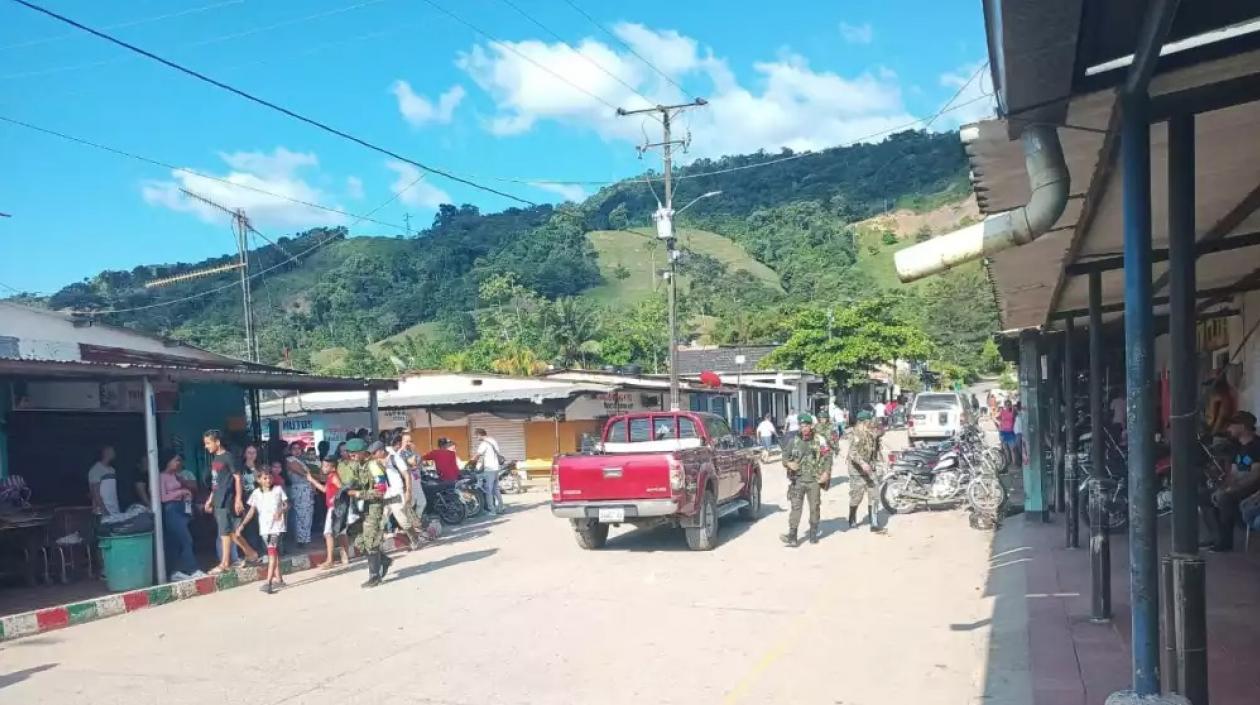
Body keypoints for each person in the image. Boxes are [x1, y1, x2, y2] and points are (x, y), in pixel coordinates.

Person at [202, 430, 259, 574]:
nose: (206, 446)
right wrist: (210, 500)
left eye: (208, 443)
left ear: (217, 442)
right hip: (218, 499)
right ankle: (248, 555)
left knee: (227, 532)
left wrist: (238, 499)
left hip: (228, 500)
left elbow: (238, 478)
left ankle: (227, 562)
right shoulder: (215, 459)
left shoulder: (228, 457)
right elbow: (216, 484)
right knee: (229, 533)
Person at [1202, 411, 1260, 552]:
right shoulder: (1238, 446)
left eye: (1232, 425)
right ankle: (1217, 536)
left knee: (1225, 498)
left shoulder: (1256, 445)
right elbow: (1233, 472)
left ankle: (1226, 542)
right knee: (1205, 496)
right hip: (1238, 486)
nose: (1229, 429)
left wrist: (1230, 489)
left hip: (1252, 488)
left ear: (1242, 426)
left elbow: (1256, 475)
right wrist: (1223, 486)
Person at [341, 438, 391, 588]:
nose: (352, 457)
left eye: (355, 454)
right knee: (358, 540)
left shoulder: (373, 465)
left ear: (364, 452)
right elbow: (354, 482)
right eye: (350, 454)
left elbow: (381, 490)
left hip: (374, 507)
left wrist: (358, 494)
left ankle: (374, 576)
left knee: (370, 541)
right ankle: (383, 560)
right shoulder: (359, 466)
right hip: (360, 508)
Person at [779, 413, 830, 547]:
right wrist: (788, 464)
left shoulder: (820, 440)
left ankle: (813, 533)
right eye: (802, 426)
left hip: (814, 480)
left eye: (806, 425)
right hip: (797, 480)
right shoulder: (793, 441)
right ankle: (792, 536)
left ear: (811, 426)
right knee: (796, 508)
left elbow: (827, 457)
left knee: (814, 507)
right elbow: (784, 456)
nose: (804, 428)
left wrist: (826, 473)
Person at [237, 468, 288, 594]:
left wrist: (280, 511)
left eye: (270, 477)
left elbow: (286, 504)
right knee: (273, 553)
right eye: (265, 478)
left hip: (276, 527)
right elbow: (251, 511)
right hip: (264, 528)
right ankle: (279, 579)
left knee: (271, 552)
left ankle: (269, 582)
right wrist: (242, 525)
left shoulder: (278, 490)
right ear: (258, 479)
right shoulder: (255, 493)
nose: (268, 480)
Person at [158, 454, 203, 581]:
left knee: (176, 542)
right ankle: (192, 569)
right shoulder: (162, 477)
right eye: (175, 460)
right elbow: (162, 497)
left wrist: (186, 494)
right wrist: (181, 492)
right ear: (168, 461)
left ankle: (176, 571)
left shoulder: (176, 476)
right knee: (186, 539)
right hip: (171, 509)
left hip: (181, 507)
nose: (178, 463)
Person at [306, 454, 351, 569]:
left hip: (335, 508)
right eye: (323, 466)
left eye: (326, 466)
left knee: (328, 533)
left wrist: (336, 497)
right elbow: (325, 490)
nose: (323, 468)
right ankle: (345, 556)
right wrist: (313, 481)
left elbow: (341, 488)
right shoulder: (331, 476)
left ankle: (330, 560)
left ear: (333, 467)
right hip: (339, 508)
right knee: (341, 532)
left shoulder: (334, 477)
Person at [373, 438, 418, 550]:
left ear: (381, 451)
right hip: (388, 493)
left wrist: (408, 491)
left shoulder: (395, 459)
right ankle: (377, 543)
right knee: (382, 517)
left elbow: (407, 474)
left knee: (402, 519)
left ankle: (414, 538)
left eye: (375, 453)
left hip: (397, 492)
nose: (374, 455)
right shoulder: (381, 460)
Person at [846, 411, 885, 533]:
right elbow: (852, 453)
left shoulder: (871, 432)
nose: (870, 423)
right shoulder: (854, 433)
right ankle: (852, 517)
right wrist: (862, 463)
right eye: (868, 421)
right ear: (862, 422)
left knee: (874, 494)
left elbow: (880, 434)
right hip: (856, 470)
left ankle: (874, 521)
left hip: (870, 468)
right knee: (856, 497)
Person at [388, 432, 426, 545]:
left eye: (411, 441)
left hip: (416, 480)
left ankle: (414, 527)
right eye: (407, 441)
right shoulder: (399, 454)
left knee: (421, 503)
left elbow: (419, 462)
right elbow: (413, 462)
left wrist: (415, 454)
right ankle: (410, 529)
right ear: (401, 442)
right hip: (408, 483)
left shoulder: (411, 451)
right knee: (409, 506)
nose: (409, 443)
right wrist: (415, 460)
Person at [284, 441, 315, 547]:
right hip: (299, 489)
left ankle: (306, 538)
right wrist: (311, 478)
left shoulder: (302, 460)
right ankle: (301, 540)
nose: (297, 451)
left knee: (307, 515)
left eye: (298, 449)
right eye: (294, 449)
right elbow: (302, 473)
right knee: (301, 515)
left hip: (307, 489)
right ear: (290, 450)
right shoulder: (290, 460)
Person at [471, 428, 503, 516]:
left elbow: (477, 455)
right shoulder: (493, 441)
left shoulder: (484, 443)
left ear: (480, 434)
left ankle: (492, 511)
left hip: (489, 469)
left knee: (488, 490)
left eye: (476, 436)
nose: (476, 438)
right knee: (496, 489)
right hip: (496, 468)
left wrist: (472, 460)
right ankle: (501, 507)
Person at [88, 445, 122, 518]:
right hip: (102, 511)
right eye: (112, 451)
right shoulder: (96, 469)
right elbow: (95, 493)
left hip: (114, 510)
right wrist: (104, 510)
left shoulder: (112, 470)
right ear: (106, 452)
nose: (114, 453)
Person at [997, 400, 1017, 469]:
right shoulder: (1002, 412)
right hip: (1003, 431)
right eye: (1007, 405)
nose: (1008, 406)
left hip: (1010, 432)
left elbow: (1015, 419)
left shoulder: (1013, 411)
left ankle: (1014, 463)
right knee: (1005, 448)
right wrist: (1000, 423)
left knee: (1012, 449)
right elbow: (997, 418)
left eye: (1009, 404)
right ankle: (1009, 462)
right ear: (1005, 405)